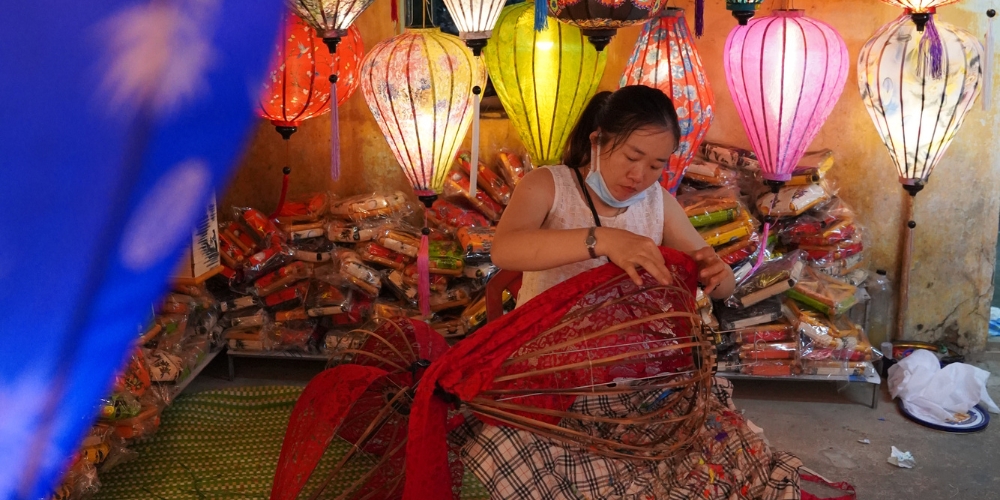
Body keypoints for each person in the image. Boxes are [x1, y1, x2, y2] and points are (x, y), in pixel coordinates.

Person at [491, 85, 735, 308]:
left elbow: (725, 288)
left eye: (655, 166)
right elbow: (503, 250)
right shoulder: (549, 186)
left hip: (627, 349)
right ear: (597, 141)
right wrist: (603, 239)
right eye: (631, 157)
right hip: (549, 348)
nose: (638, 175)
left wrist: (717, 273)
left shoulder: (657, 203)